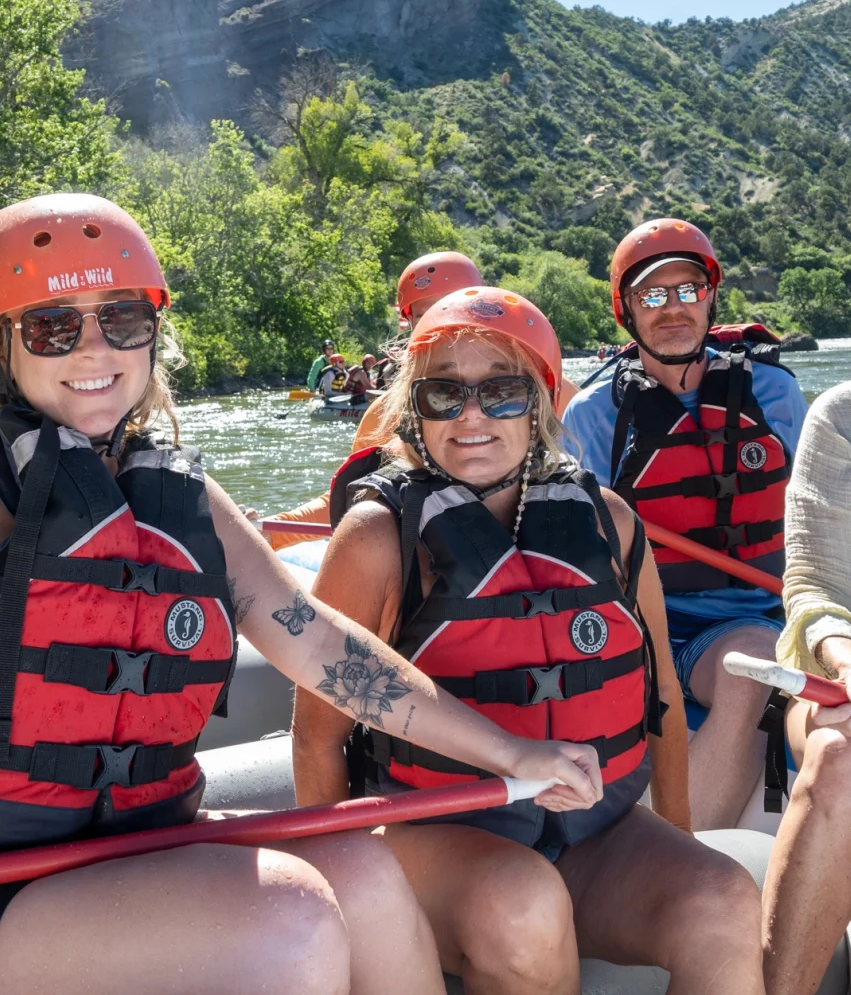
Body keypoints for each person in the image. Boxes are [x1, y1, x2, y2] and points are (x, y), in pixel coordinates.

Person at [0, 196, 602, 995]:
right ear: (0, 344)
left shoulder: (182, 497)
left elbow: (316, 642)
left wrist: (509, 749)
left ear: (154, 329)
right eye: (54, 328)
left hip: (129, 847)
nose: (95, 350)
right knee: (288, 923)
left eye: (123, 320)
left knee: (363, 871)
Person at [293, 286, 764, 993]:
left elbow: (661, 694)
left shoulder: (608, 521)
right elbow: (318, 738)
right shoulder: (377, 539)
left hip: (595, 832)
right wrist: (345, 897)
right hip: (439, 836)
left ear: (541, 402)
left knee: (723, 899)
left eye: (502, 392)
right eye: (444, 395)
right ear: (414, 409)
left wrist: (679, 838)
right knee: (523, 903)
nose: (472, 416)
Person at [562, 218, 808, 831]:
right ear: (626, 310)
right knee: (754, 666)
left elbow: (818, 519)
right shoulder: (595, 415)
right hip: (655, 624)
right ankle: (686, 870)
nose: (673, 308)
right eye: (652, 295)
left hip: (765, 609)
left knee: (763, 658)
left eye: (688, 290)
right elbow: (572, 550)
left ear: (710, 298)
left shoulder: (772, 392)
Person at [268, 252, 485, 549]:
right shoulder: (383, 413)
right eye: (426, 316)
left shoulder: (541, 393)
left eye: (457, 310)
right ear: (411, 325)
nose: (443, 326)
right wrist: (270, 533)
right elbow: (349, 499)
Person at [757, 379, 851, 995]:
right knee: (844, 757)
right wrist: (849, 661)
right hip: (840, 676)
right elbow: (813, 586)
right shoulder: (844, 416)